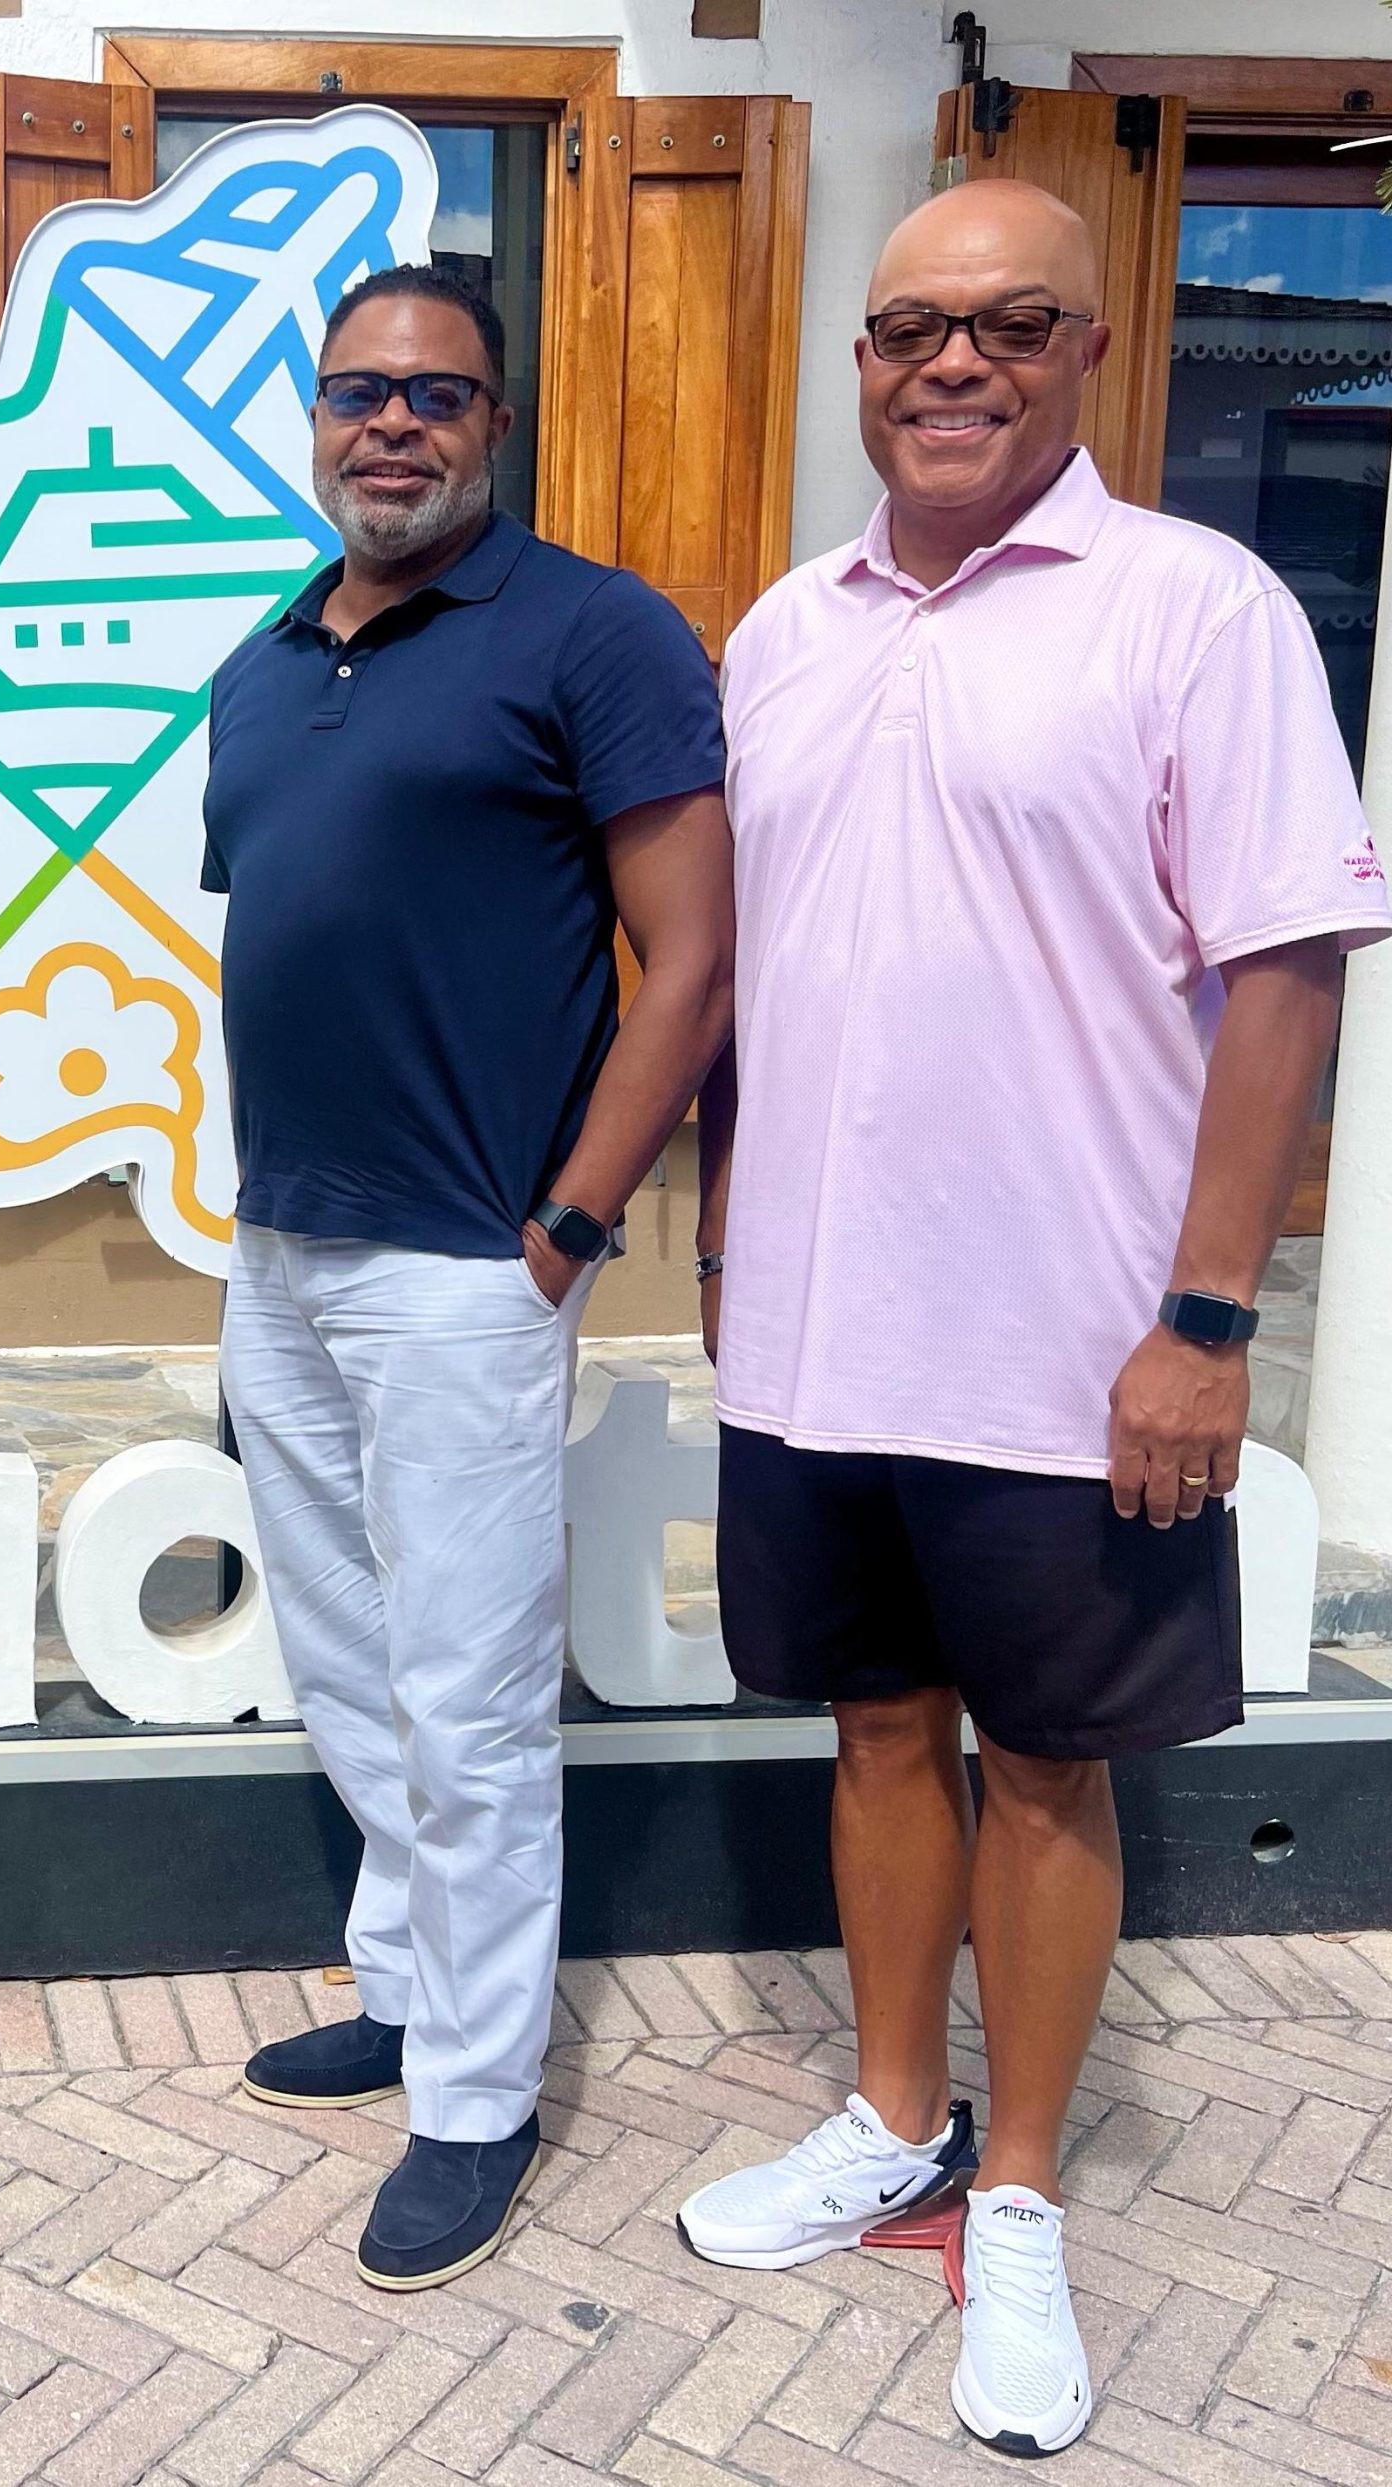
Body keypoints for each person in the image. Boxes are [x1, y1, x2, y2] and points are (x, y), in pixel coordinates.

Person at [680, 180, 1389, 2455]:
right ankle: (894, 2117)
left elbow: (1283, 975)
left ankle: (1016, 2195)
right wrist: (727, 1224)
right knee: (876, 1727)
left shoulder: (1195, 610)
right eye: (911, 328)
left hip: (1073, 1342)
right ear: (862, 364)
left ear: (1089, 349)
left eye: (1007, 324)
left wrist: (1208, 1317)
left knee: (1049, 1762)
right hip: (820, 1330)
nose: (952, 364)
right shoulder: (781, 630)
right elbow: (754, 969)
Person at [206, 264, 735, 2290]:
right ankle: (409, 1988)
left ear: (494, 421)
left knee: (469, 1694)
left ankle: (477, 2095)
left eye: (435, 394)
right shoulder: (267, 657)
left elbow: (690, 959)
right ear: (317, 419)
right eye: (359, 392)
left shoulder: (592, 632)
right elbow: (304, 928)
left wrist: (571, 1226)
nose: (393, 425)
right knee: (347, 1662)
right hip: (283, 1246)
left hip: (466, 1263)